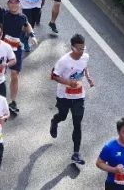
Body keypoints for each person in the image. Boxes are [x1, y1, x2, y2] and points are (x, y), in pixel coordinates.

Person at [50, 33, 95, 165]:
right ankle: (55, 120)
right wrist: (68, 82)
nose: (82, 51)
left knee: (77, 123)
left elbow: (84, 67)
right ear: (72, 48)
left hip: (79, 95)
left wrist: (88, 77)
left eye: (83, 48)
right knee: (63, 116)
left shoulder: (85, 57)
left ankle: (76, 153)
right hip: (64, 95)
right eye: (79, 48)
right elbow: (53, 76)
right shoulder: (64, 61)